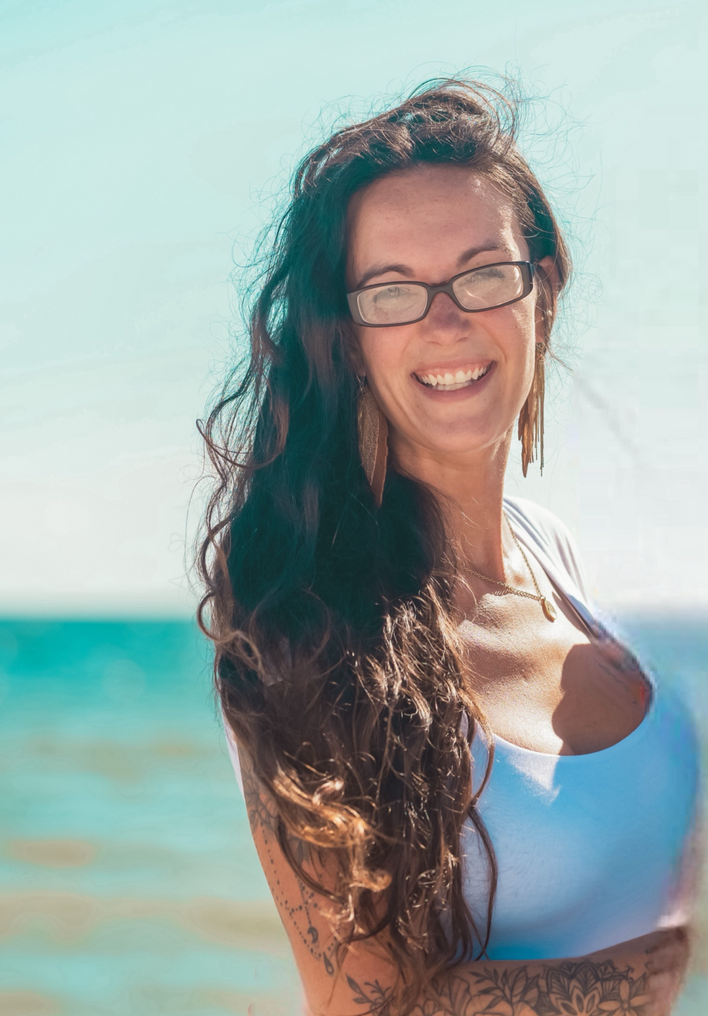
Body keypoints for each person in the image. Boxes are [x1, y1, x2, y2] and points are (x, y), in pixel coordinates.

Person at [197, 79, 701, 1016]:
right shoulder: (300, 622)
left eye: (481, 273)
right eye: (393, 291)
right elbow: (369, 1006)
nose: (445, 320)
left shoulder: (554, 554)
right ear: (348, 342)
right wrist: (669, 969)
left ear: (541, 292)